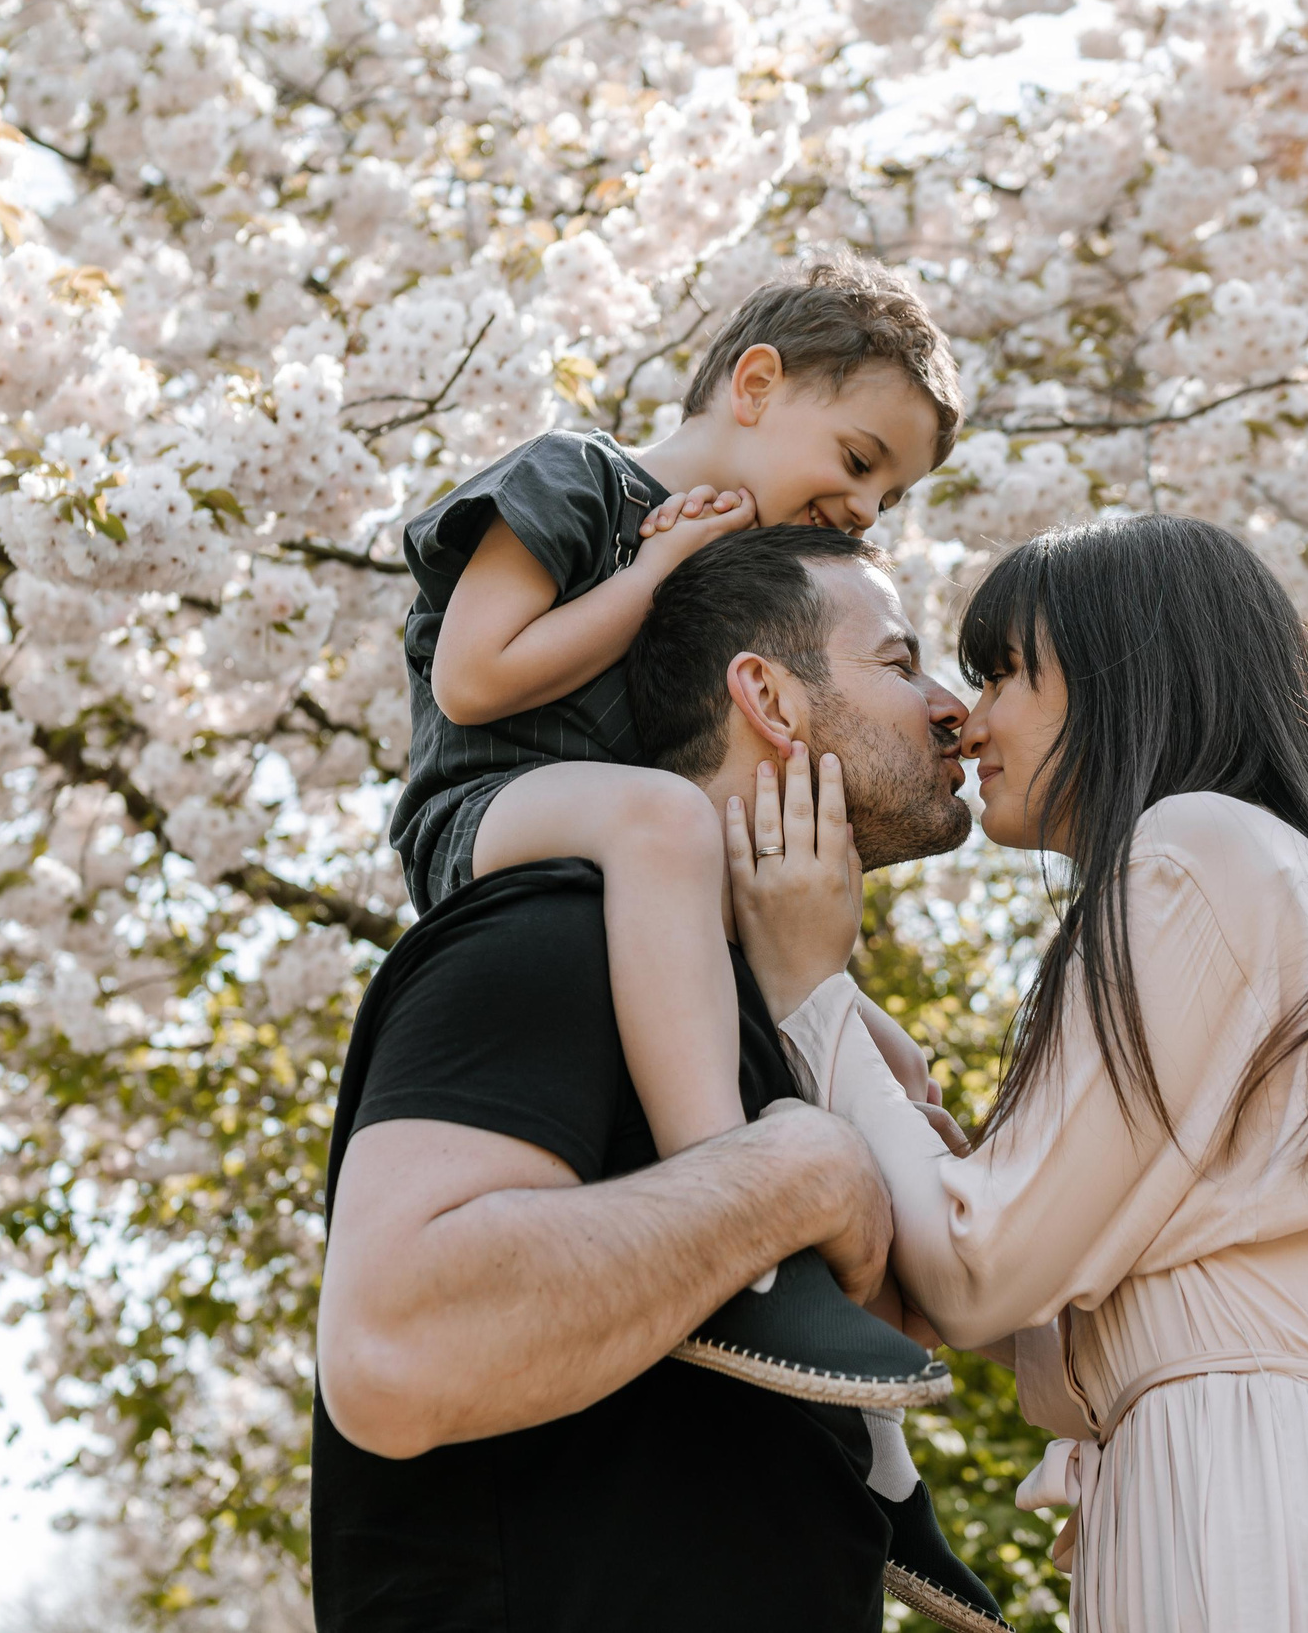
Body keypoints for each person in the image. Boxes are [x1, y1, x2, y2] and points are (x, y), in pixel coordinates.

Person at [740, 514, 1308, 1631]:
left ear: (1128, 674)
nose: (970, 717)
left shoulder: (1195, 847)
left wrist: (808, 989)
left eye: (1006, 674)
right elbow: (1052, 1297)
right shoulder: (1263, 869)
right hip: (1276, 1498)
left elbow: (977, 1271)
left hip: (1244, 1508)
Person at [312, 528, 1006, 1633]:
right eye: (898, 661)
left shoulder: (769, 1021)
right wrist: (797, 1175)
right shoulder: (553, 935)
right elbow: (392, 1351)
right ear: (767, 698)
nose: (951, 709)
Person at [386, 251, 964, 1403]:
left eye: (889, 498)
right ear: (754, 384)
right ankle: (738, 1217)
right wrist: (655, 566)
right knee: (662, 813)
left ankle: (889, 1400)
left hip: (620, 850)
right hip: (484, 810)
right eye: (859, 461)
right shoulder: (574, 479)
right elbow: (474, 679)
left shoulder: (717, 568)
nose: (864, 509)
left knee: (866, 1034)